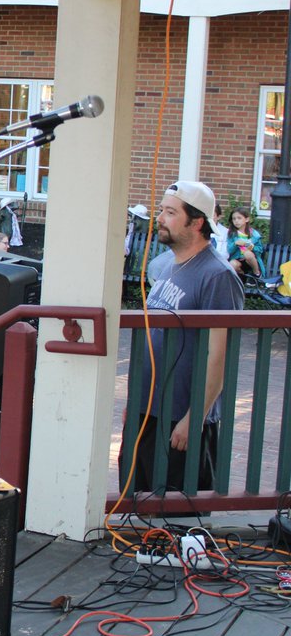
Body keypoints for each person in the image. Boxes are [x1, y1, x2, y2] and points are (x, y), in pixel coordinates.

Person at [124, 180, 244, 494]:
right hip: (146, 412)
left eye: (170, 212)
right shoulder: (167, 266)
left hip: (181, 420)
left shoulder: (218, 276)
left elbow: (218, 358)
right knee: (137, 510)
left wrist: (195, 418)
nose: (159, 219)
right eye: (161, 211)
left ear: (197, 221)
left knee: (178, 519)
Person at [227, 208, 265, 277]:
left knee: (247, 254)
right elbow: (229, 251)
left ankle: (256, 274)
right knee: (232, 264)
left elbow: (260, 250)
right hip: (238, 260)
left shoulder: (254, 234)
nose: (236, 221)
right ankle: (244, 276)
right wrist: (235, 244)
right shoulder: (232, 234)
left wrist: (251, 246)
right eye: (234, 219)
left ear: (247, 219)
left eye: (239, 218)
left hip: (252, 261)